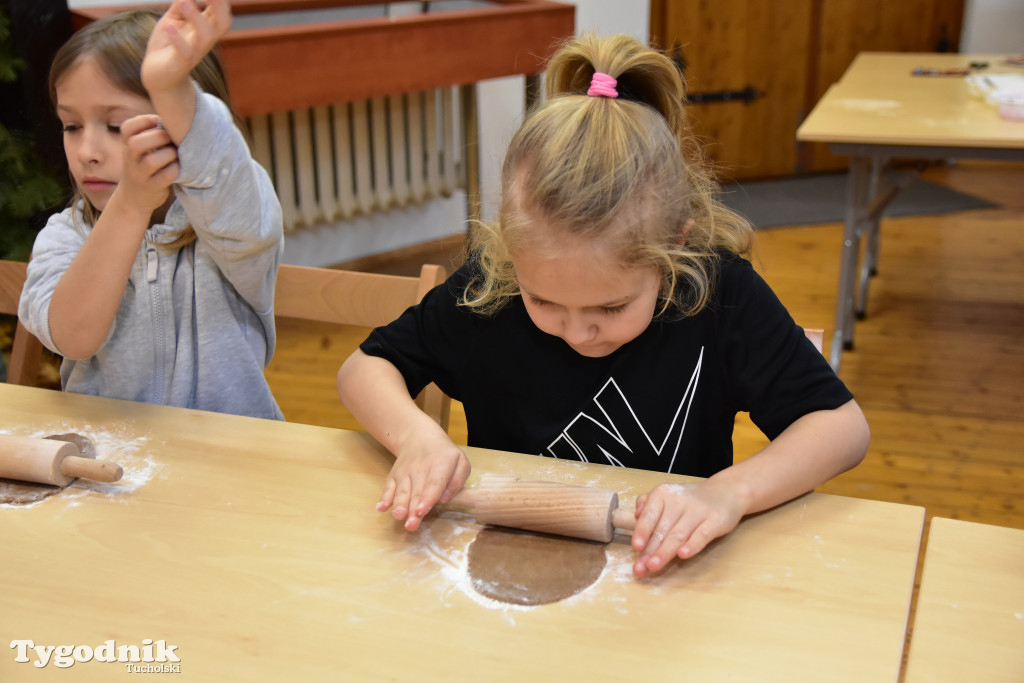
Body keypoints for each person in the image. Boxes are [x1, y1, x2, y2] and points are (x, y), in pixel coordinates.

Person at [337, 34, 869, 576]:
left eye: (611, 308)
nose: (577, 331)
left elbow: (841, 429)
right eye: (543, 300)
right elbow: (364, 368)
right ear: (508, 251)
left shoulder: (717, 294)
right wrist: (418, 437)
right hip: (509, 567)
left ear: (676, 247)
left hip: (667, 583)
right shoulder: (491, 289)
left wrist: (728, 494)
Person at [19, 0, 285, 419]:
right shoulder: (64, 234)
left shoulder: (234, 218)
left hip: (232, 460)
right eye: (71, 126)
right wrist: (130, 204)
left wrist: (169, 89)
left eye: (114, 125)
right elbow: (73, 338)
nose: (86, 151)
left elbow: (221, 165)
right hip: (107, 458)